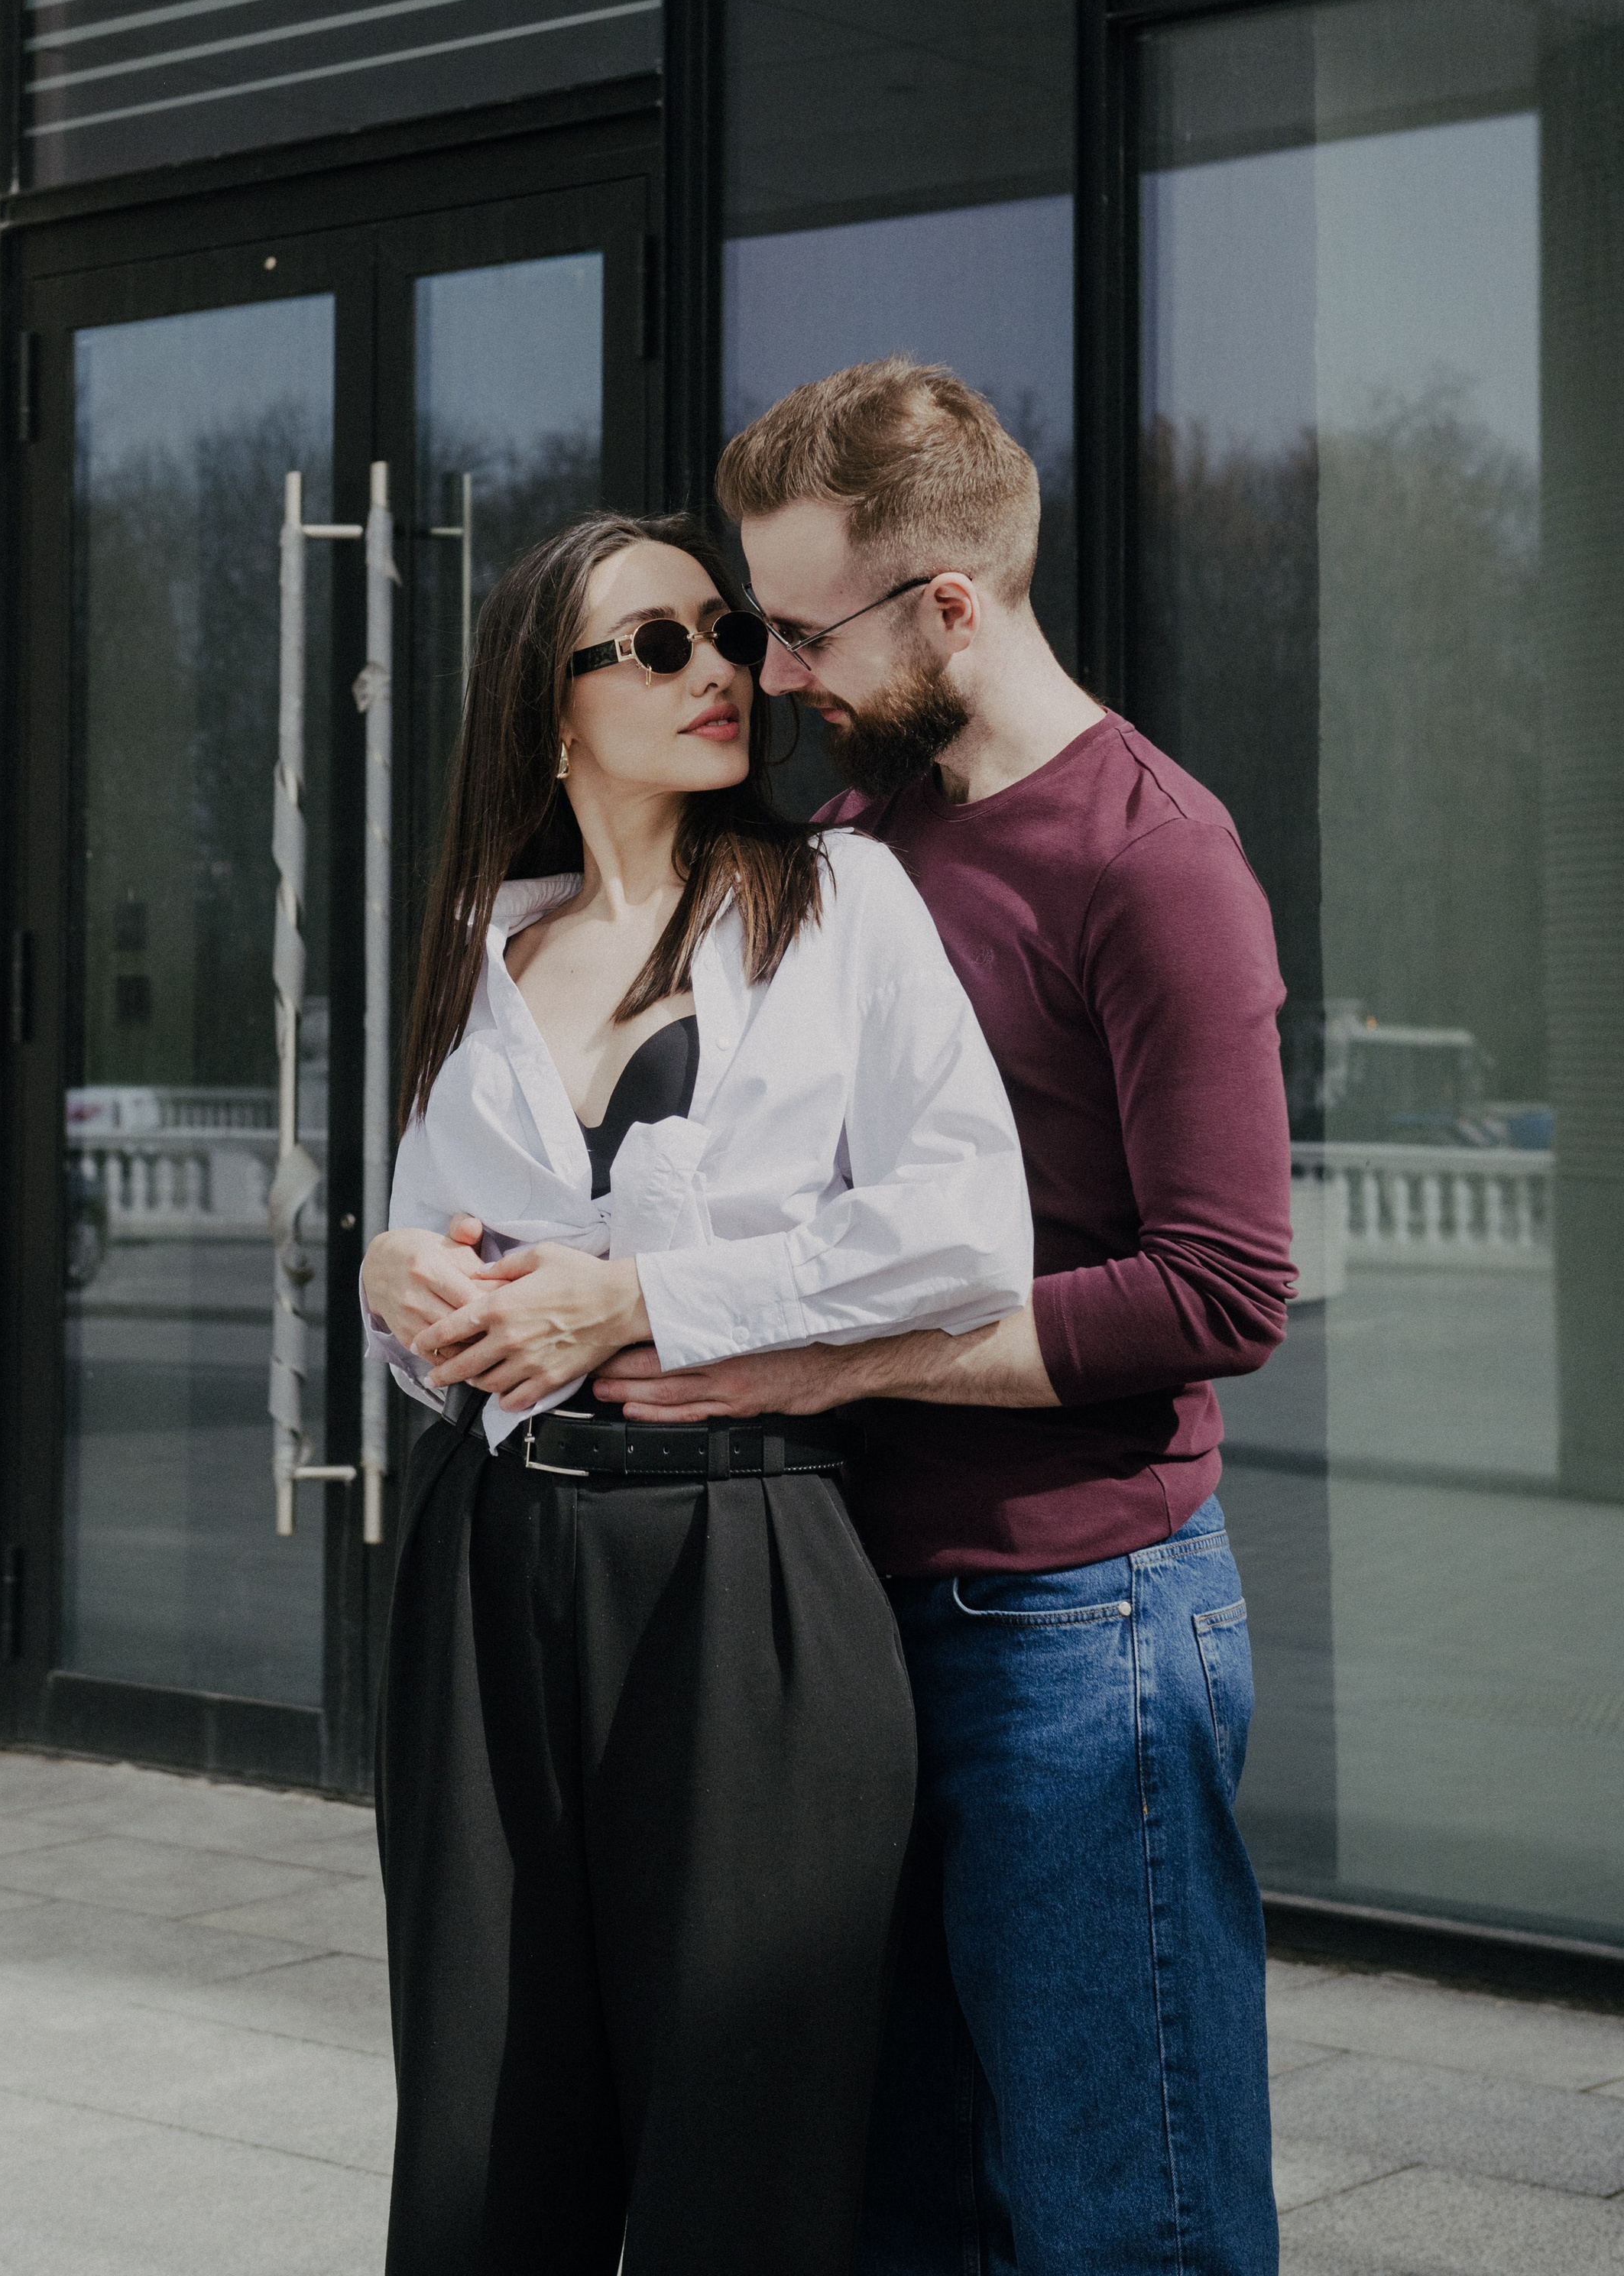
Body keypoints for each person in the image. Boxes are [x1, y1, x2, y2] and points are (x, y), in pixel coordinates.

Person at [596, 362, 1292, 2276]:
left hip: (1077, 1629)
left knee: (1115, 2212)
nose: (778, 672)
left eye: (803, 629)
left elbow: (1225, 1286)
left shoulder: (1155, 860)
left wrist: (830, 1353)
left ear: (950, 608)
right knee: (892, 2201)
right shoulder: (858, 838)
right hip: (842, 1606)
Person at [360, 507, 1034, 2276]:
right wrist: (386, 1279)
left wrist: (643, 1296)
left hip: (741, 1561)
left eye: (721, 629)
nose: (719, 670)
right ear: (551, 702)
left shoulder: (837, 898)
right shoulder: (481, 943)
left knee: (746, 2151)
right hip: (485, 1560)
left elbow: (963, 1230)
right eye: (654, 645)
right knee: (480, 2136)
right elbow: (456, 1275)